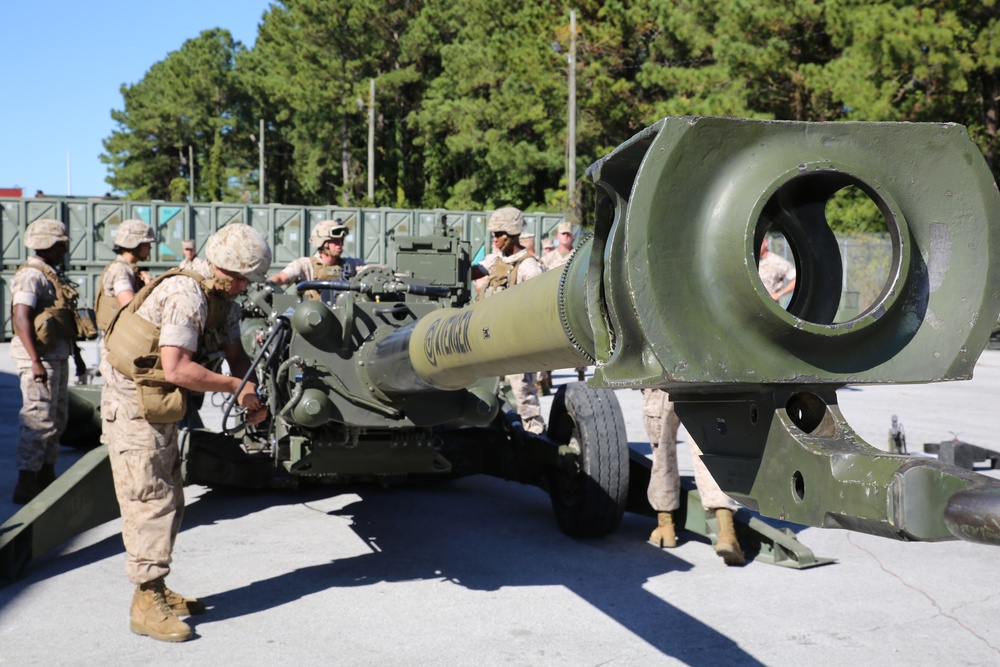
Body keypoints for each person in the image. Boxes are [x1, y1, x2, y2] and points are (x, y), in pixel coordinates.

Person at [101, 223, 271, 642]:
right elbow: (176, 368)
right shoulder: (186, 294)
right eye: (244, 278)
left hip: (160, 403)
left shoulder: (224, 301)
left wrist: (251, 394)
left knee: (172, 496)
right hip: (133, 404)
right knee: (150, 499)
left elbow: (236, 355)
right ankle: (145, 603)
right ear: (225, 268)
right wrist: (234, 386)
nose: (246, 287)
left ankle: (157, 588)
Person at [8, 219, 79, 503]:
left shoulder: (50, 274)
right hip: (39, 359)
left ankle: (46, 473)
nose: (64, 250)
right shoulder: (31, 276)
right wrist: (35, 360)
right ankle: (27, 480)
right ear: (48, 245)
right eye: (60, 245)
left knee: (56, 418)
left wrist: (76, 356)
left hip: (56, 356)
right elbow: (20, 316)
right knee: (37, 419)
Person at [643, 388, 744, 565]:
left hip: (661, 382)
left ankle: (665, 526)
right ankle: (726, 533)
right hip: (700, 381)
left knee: (663, 451)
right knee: (708, 450)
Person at [471, 206, 547, 434]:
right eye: (493, 234)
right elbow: (474, 271)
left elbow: (538, 304)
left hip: (517, 344)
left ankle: (533, 435)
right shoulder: (495, 260)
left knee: (523, 398)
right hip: (492, 340)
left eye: (498, 234)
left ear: (512, 235)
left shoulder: (528, 266)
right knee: (489, 393)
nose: (494, 239)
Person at [539, 221, 586, 386]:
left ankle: (581, 375)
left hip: (572, 304)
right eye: (563, 234)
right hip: (551, 306)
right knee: (549, 341)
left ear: (572, 236)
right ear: (558, 236)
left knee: (579, 339)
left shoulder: (579, 255)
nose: (566, 237)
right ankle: (546, 377)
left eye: (568, 234)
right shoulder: (547, 259)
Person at [95, 220, 154, 336]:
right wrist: (149, 288)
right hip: (119, 338)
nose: (150, 247)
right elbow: (129, 305)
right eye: (147, 244)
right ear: (135, 244)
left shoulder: (129, 268)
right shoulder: (120, 270)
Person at [269, 219, 364, 285]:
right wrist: (269, 285)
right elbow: (281, 278)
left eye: (341, 240)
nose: (339, 244)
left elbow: (369, 271)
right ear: (323, 243)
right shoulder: (305, 265)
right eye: (335, 241)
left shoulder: (351, 265)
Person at [758, 235, 796, 302]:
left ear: (766, 242)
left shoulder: (776, 261)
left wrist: (779, 294)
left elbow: (796, 279)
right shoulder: (749, 261)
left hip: (769, 303)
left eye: (758, 242)